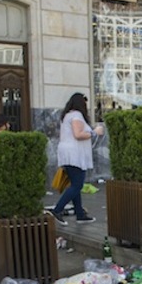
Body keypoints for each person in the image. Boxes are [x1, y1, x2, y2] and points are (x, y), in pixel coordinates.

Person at [50, 92, 103, 225]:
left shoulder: (67, 115)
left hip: (67, 153)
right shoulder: (76, 115)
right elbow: (78, 134)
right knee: (77, 185)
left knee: (75, 184)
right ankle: (57, 210)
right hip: (74, 155)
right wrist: (94, 132)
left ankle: (79, 214)